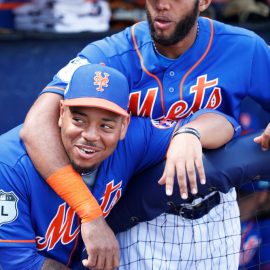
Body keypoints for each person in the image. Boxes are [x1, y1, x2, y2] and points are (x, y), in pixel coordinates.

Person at [20, 0, 270, 268]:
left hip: (216, 215)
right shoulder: (109, 54)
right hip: (137, 222)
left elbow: (224, 122)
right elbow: (35, 125)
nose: (162, 4)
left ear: (204, 2)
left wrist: (189, 133)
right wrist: (89, 213)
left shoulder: (243, 47)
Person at [0, 63, 181, 269]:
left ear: (124, 126)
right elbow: (17, 262)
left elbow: (214, 122)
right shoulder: (7, 165)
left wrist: (189, 135)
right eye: (78, 120)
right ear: (61, 114)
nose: (90, 136)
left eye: (105, 125)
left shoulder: (133, 141)